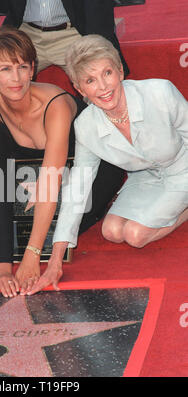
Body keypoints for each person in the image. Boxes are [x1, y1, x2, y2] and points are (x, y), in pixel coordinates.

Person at [0, 27, 125, 297]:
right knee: (10, 205)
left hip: (92, 170)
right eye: (5, 69)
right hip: (33, 173)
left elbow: (50, 182)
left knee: (54, 226)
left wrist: (31, 256)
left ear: (32, 69)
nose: (15, 79)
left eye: (22, 67)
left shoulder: (56, 105)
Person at [36, 34, 188, 294]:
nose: (103, 87)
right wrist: (54, 260)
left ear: (120, 71)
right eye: (90, 80)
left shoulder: (160, 92)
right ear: (80, 89)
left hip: (183, 167)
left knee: (136, 235)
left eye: (107, 73)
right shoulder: (85, 127)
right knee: (112, 230)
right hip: (144, 177)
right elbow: (78, 190)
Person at [0, 0, 129, 79]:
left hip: (74, 31)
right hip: (25, 32)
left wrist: (98, 45)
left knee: (102, 80)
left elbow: (97, 5)